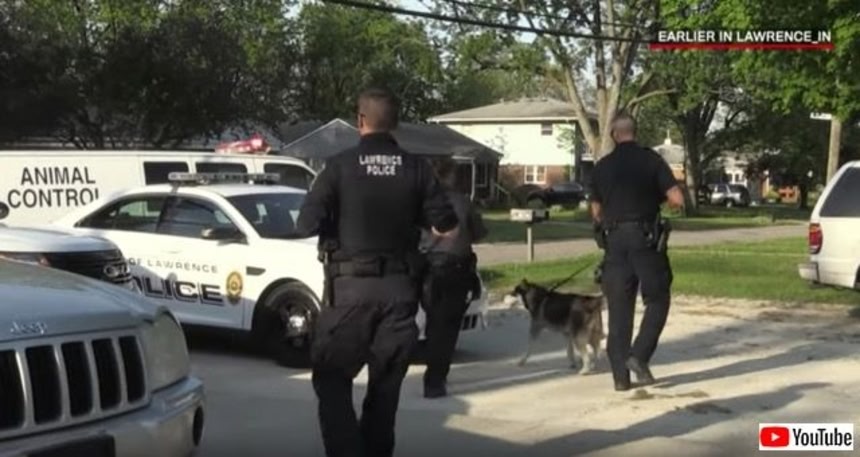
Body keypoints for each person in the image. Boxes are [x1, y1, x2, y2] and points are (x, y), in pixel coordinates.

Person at [295, 87, 459, 457]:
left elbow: (305, 225)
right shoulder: (417, 169)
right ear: (395, 123)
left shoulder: (338, 167)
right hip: (400, 294)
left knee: (332, 381)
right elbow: (446, 225)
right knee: (385, 393)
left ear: (360, 121)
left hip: (349, 294)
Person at [588, 112, 685, 392]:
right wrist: (658, 201)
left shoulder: (602, 166)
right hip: (645, 240)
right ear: (635, 132)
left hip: (614, 241)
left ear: (614, 135)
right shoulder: (651, 160)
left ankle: (620, 378)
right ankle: (639, 356)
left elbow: (596, 211)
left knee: (619, 309)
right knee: (658, 298)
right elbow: (677, 199)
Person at [419, 156, 488, 399]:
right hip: (455, 269)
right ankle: (436, 378)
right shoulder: (461, 202)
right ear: (449, 176)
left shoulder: (420, 202)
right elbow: (479, 233)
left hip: (426, 268)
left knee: (433, 323)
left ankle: (433, 373)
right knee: (447, 326)